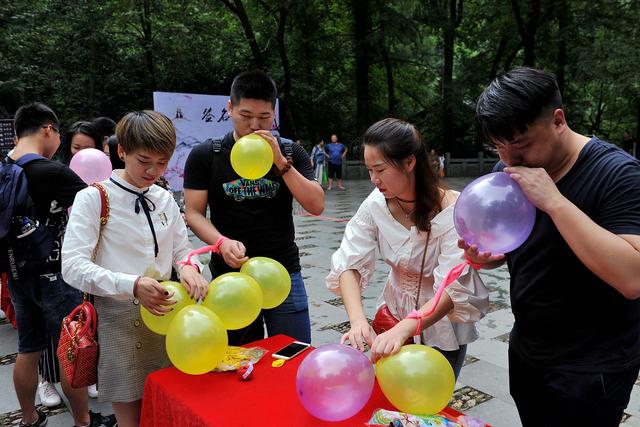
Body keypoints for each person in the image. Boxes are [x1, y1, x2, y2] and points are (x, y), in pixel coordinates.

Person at [466, 67, 640, 426]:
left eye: (521, 144)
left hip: (592, 366)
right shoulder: (511, 167)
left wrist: (555, 202)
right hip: (528, 350)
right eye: (499, 145)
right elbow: (528, 247)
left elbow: (633, 277)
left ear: (558, 120)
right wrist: (489, 257)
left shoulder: (619, 174)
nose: (509, 159)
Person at [62, 110, 208, 427]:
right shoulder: (94, 198)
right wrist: (132, 284)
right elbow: (72, 267)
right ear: (122, 151)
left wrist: (189, 268)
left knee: (167, 409)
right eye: (144, 160)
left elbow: (182, 250)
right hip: (119, 320)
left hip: (168, 313)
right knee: (132, 417)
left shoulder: (165, 197)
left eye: (162, 162)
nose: (153, 171)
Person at [326, 118, 489, 378]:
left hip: (438, 321)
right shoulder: (375, 204)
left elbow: (453, 288)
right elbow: (349, 262)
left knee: (430, 403)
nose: (373, 180)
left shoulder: (454, 210)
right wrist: (358, 321)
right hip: (392, 310)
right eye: (369, 170)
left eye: (379, 169)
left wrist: (404, 329)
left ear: (410, 162)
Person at [183, 71, 324, 346]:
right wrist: (221, 242)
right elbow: (193, 213)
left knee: (293, 354)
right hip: (229, 276)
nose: (254, 125)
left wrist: (281, 163)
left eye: (264, 117)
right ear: (230, 108)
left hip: (284, 271)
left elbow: (316, 205)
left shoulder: (291, 152)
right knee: (238, 359)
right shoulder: (206, 155)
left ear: (275, 113)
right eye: (245, 116)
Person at [4, 103, 114, 427]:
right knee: (72, 350)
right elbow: (98, 210)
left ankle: (29, 418)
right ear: (48, 129)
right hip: (56, 275)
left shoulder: (3, 167)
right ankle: (83, 420)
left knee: (29, 348)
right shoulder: (50, 171)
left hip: (15, 273)